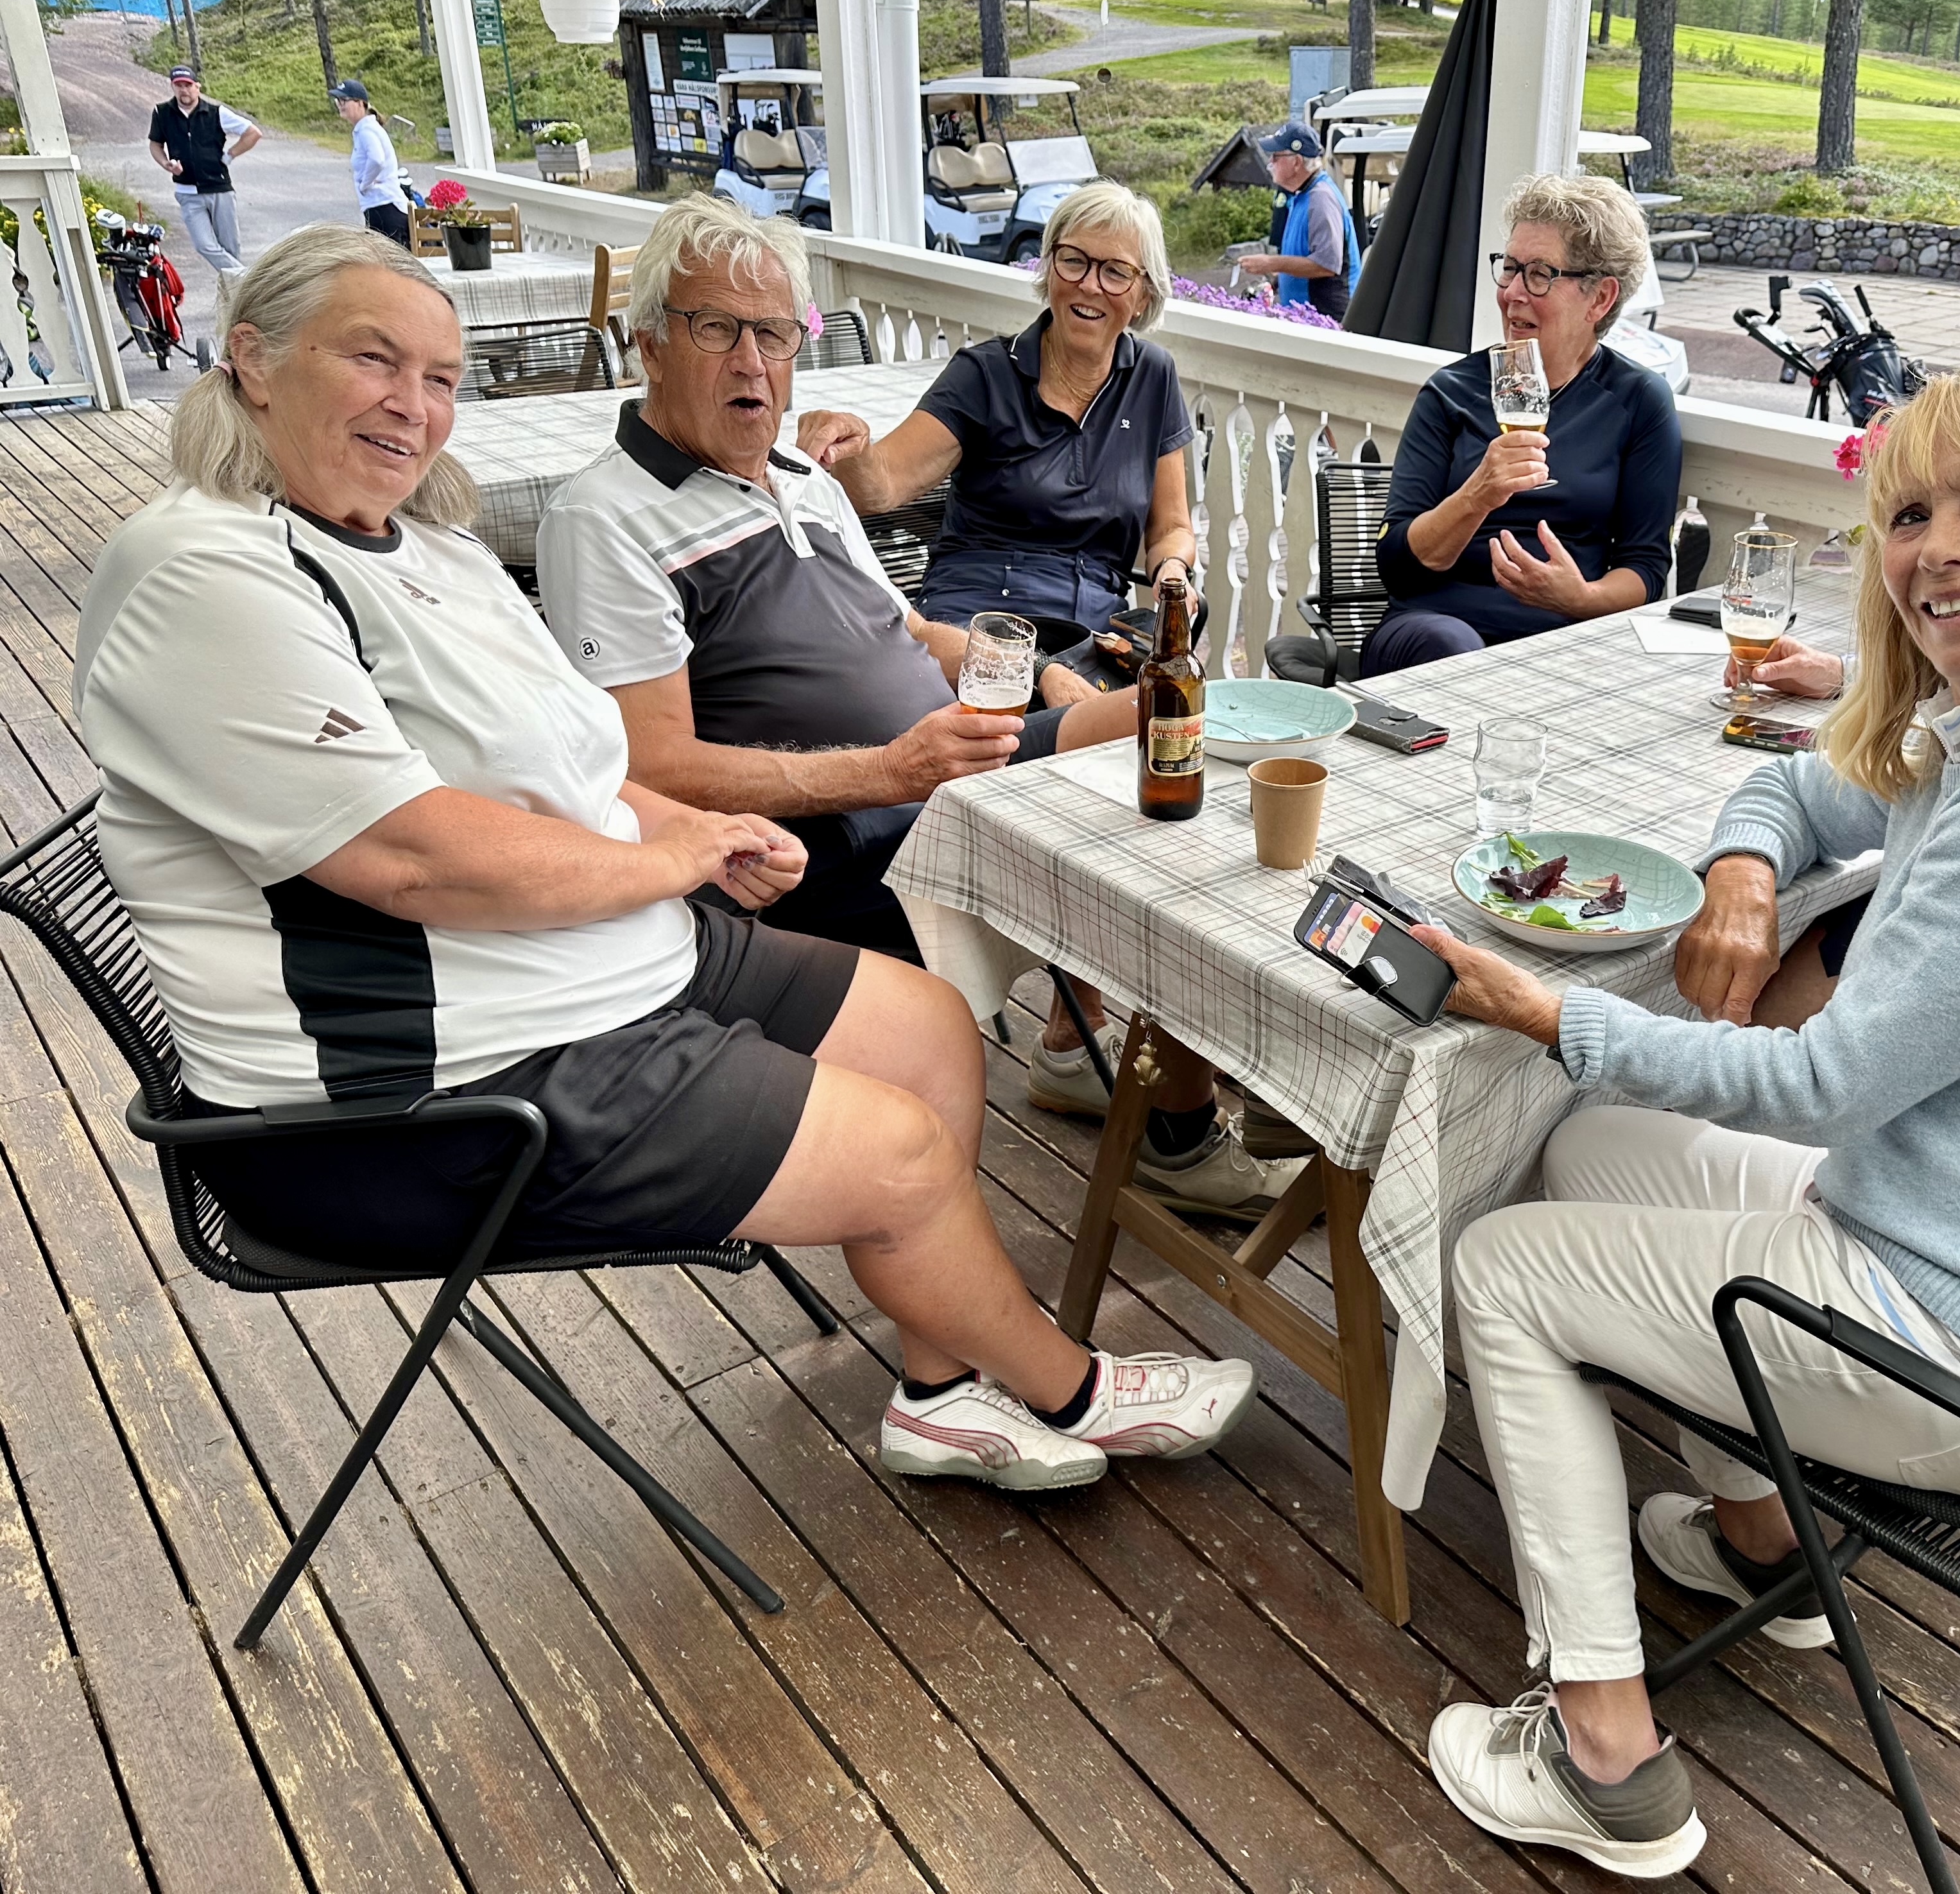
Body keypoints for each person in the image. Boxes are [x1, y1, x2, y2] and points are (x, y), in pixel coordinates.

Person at [77, 224, 1253, 1494]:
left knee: (930, 1030)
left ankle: (938, 1391)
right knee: (901, 1156)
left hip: (592, 965)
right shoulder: (207, 567)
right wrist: (678, 851)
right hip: (413, 1096)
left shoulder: (427, 545)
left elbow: (581, 767)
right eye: (375, 361)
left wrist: (688, 836)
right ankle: (1071, 1385)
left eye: (440, 379)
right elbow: (414, 860)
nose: (413, 408)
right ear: (252, 359)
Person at [1402, 366, 1960, 1879]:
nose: (1938, 547)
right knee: (1587, 1141)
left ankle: (1606, 1757)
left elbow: (1822, 1085)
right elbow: (1813, 785)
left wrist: (1546, 1012)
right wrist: (1740, 865)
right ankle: (1766, 1545)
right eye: (1910, 513)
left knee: (1511, 1265)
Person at [540, 196, 1303, 1221]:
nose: (752, 364)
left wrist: (1046, 680)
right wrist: (890, 769)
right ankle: (1176, 1123)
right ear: (649, 341)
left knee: (1184, 730)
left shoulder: (799, 479)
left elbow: (908, 633)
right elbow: (650, 769)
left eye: (774, 334)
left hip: (949, 758)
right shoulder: (604, 518)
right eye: (717, 328)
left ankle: (1199, 1063)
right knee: (1137, 843)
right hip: (847, 829)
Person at [820, 180, 1192, 637]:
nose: (1090, 285)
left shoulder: (1152, 377)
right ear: (1050, 268)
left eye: (1116, 272)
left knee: (1152, 705)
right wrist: (850, 446)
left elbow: (1172, 527)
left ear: (1143, 297)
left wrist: (1172, 570)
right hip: (972, 616)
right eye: (1073, 260)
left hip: (1089, 627)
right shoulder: (985, 375)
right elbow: (883, 484)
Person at [1367, 173, 1680, 676]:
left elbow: (1645, 567)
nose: (1512, 292)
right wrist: (1479, 494)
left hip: (1565, 638)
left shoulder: (1638, 401)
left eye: (1539, 274)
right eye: (1509, 268)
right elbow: (1396, 567)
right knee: (1453, 648)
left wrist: (1581, 597)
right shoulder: (1451, 393)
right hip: (1434, 626)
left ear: (1599, 298)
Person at [1236, 121, 1360, 323]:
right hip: (1311, 320)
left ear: (1296, 162)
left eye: (1276, 156)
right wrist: (1276, 284)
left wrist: (1270, 263)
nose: (1270, 161)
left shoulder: (1321, 199)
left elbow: (1326, 265)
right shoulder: (1303, 194)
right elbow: (1302, 257)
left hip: (1327, 321)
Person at [147, 64, 258, 280]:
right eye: (178, 85)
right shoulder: (163, 113)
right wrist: (166, 163)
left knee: (230, 249)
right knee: (205, 245)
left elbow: (253, 132)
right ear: (172, 87)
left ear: (197, 87)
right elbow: (155, 144)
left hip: (219, 188)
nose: (183, 90)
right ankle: (249, 280)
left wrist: (230, 155)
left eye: (188, 85)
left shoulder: (216, 112)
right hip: (188, 192)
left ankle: (235, 298)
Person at [333, 80, 408, 248]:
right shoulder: (364, 129)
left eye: (344, 100)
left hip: (384, 206)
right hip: (380, 206)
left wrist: (364, 185)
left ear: (360, 103)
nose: (340, 105)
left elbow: (377, 159)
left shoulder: (367, 130)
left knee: (386, 265)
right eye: (338, 101)